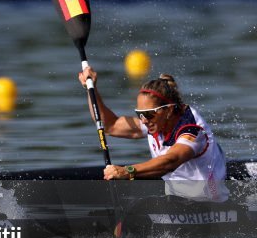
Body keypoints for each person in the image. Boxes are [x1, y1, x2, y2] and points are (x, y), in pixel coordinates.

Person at [78, 69, 227, 202]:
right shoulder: (156, 121)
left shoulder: (192, 130)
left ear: (168, 110)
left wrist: (127, 171)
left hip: (210, 206)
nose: (143, 120)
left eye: (148, 114)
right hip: (178, 201)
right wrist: (91, 89)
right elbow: (110, 126)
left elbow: (170, 161)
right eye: (140, 114)